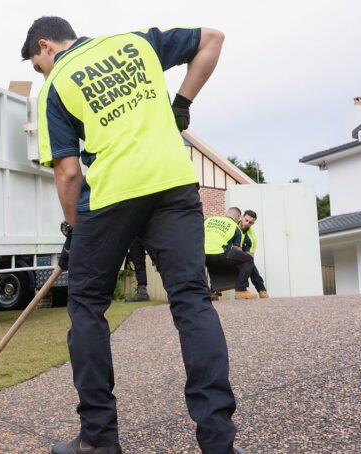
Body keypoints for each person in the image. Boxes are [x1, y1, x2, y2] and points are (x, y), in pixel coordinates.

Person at [23, 16, 241, 454]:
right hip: (174, 182)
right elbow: (212, 40)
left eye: (37, 65)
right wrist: (181, 104)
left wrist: (73, 231)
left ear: (45, 47)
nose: (42, 73)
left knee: (86, 305)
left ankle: (99, 441)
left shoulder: (57, 85)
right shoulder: (134, 43)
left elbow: (68, 173)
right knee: (192, 300)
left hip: (113, 194)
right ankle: (219, 443)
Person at [204, 208, 258, 300]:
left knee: (213, 263)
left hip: (201, 255)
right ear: (238, 217)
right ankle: (241, 290)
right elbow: (237, 250)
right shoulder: (235, 227)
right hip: (219, 254)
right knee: (247, 259)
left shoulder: (208, 220)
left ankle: (212, 292)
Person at [238, 210, 269, 298]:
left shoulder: (251, 238)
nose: (247, 223)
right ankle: (214, 291)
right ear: (242, 217)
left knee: (250, 264)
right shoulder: (232, 225)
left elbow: (250, 258)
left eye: (250, 222)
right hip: (227, 249)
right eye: (246, 220)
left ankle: (262, 290)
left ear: (253, 224)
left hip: (241, 254)